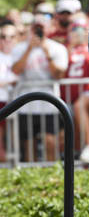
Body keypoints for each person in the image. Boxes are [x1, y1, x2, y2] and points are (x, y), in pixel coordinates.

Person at [11, 14, 69, 162]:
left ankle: (51, 173)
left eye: (41, 28)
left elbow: (58, 74)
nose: (38, 31)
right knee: (29, 144)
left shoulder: (57, 48)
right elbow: (16, 70)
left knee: (51, 141)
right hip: (26, 104)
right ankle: (33, 176)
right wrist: (29, 49)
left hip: (50, 104)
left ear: (48, 29)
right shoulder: (19, 48)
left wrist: (46, 52)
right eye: (35, 28)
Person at [63, 17, 89, 164]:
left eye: (81, 29)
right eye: (74, 29)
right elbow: (59, 72)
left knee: (81, 105)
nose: (78, 33)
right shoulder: (66, 49)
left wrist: (88, 44)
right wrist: (70, 47)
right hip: (69, 97)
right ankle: (84, 157)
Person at [0, 22, 19, 162]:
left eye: (11, 36)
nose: (7, 40)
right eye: (3, 36)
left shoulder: (22, 53)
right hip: (2, 100)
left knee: (18, 138)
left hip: (20, 102)